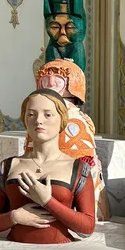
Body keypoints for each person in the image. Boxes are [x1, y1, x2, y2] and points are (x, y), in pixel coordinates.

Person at [0, 90, 95, 244]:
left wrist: (47, 201)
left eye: (48, 115)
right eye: (31, 114)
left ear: (62, 119)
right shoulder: (8, 166)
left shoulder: (78, 168)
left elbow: (87, 227)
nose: (38, 121)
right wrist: (15, 217)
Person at [31, 59, 108, 219]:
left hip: (71, 184)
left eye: (57, 79)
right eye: (46, 79)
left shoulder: (74, 118)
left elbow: (82, 159)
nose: (50, 83)